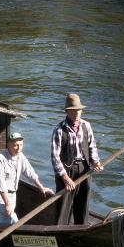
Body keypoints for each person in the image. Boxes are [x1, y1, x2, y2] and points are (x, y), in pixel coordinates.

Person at [51, 93, 102, 225]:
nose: (77, 113)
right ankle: (61, 230)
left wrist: (95, 162)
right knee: (64, 206)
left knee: (82, 203)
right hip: (67, 171)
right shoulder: (59, 130)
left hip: (84, 169)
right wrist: (65, 178)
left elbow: (92, 146)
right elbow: (55, 158)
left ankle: (81, 228)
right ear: (67, 112)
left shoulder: (86, 126)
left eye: (78, 110)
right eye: (73, 111)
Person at [0, 131, 53, 225]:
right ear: (8, 145)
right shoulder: (0, 158)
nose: (19, 148)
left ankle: (0, 235)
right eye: (16, 145)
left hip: (13, 195)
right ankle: (20, 232)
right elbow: (1, 184)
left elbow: (31, 173)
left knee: (4, 220)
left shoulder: (20, 156)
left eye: (21, 145)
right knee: (11, 217)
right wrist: (7, 204)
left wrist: (41, 187)